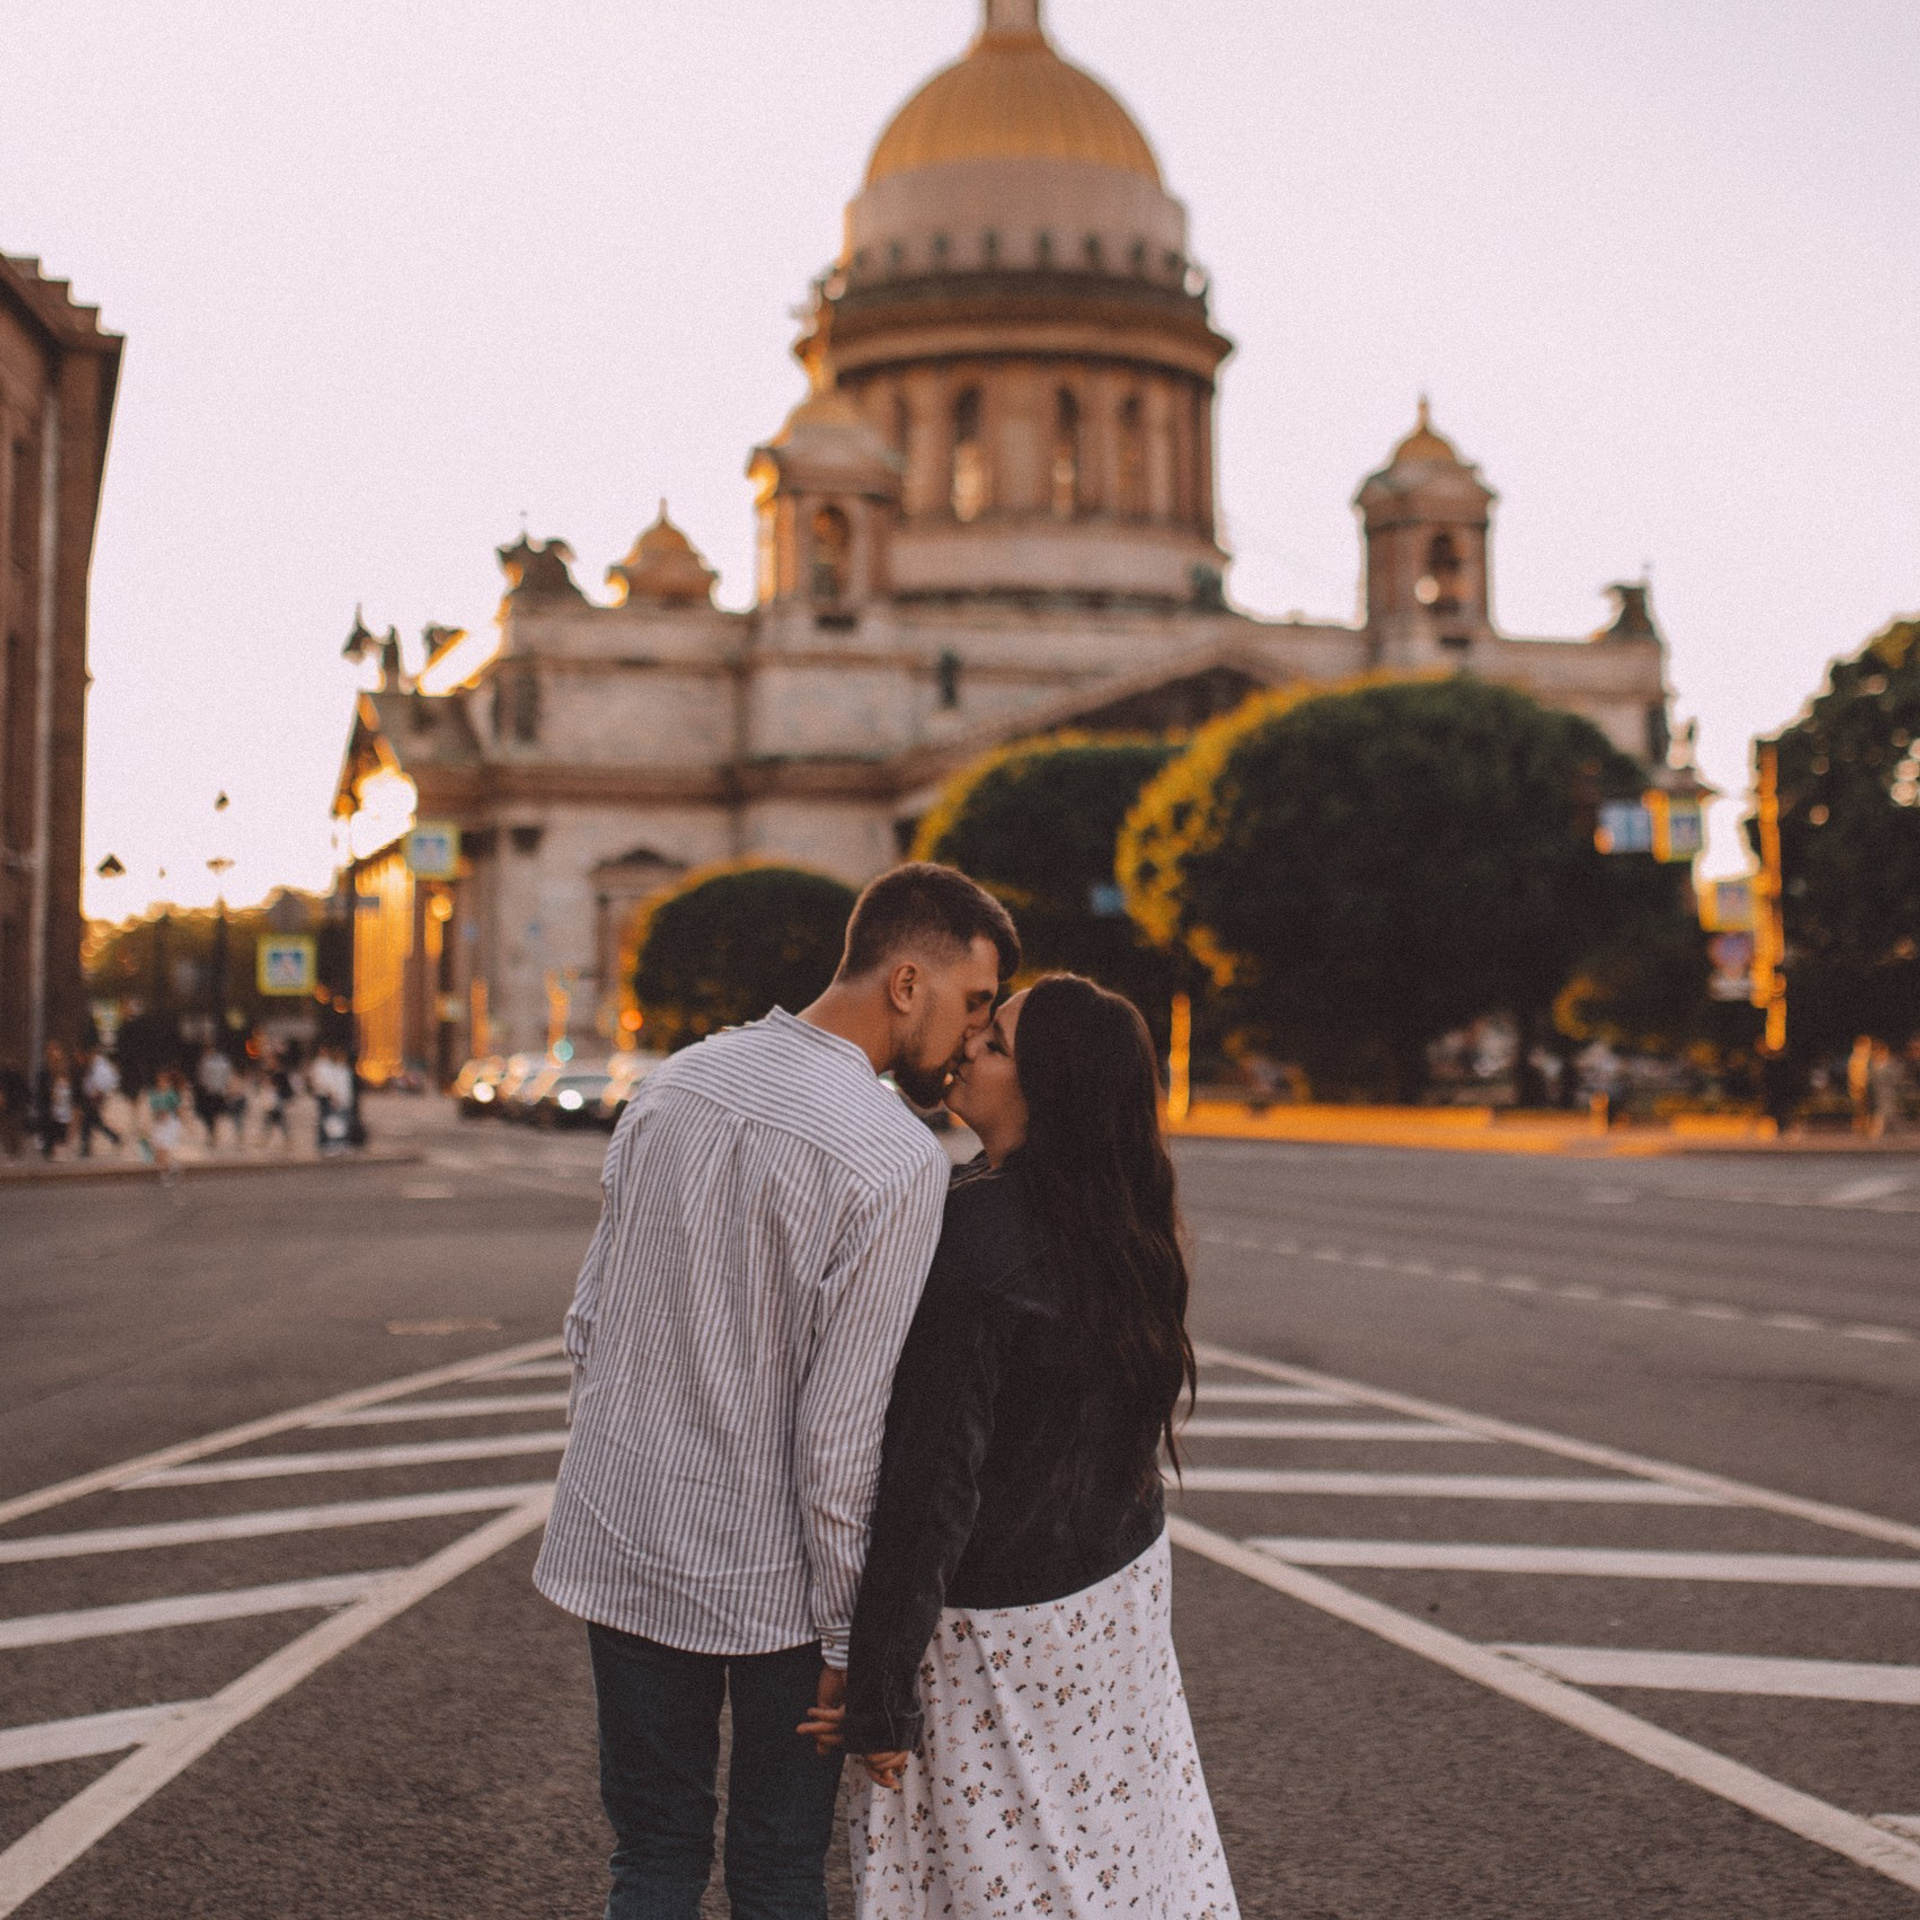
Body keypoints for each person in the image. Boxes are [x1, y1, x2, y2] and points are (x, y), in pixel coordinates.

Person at [533, 862, 1020, 1920]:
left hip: (622, 1539)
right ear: (906, 983)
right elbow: (840, 1432)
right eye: (974, 1001)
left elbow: (589, 1322)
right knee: (777, 1869)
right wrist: (851, 1640)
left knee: (650, 1857)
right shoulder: (894, 1159)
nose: (975, 1033)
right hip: (776, 1591)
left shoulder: (676, 1083)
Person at [803, 974, 1239, 1920]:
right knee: (1117, 1850)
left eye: (995, 1043)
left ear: (1049, 1090)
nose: (967, 1044)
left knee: (1000, 1868)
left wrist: (879, 1691)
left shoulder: (975, 1234)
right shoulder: (1125, 1223)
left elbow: (935, 1482)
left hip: (995, 1629)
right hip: (1114, 1597)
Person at [77, 1045, 124, 1157]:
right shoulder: (94, 1065)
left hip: (95, 1098)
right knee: (94, 1122)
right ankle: (115, 1138)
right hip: (91, 1098)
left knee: (87, 1122)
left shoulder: (101, 1066)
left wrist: (98, 1094)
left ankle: (86, 1148)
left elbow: (108, 1082)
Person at [34, 1041, 74, 1159]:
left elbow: (67, 1082)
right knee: (47, 1124)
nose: (55, 1056)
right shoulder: (43, 1070)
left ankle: (51, 1148)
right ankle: (47, 1149)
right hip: (47, 1102)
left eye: (57, 1053)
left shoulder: (62, 1068)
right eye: (52, 1053)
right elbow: (41, 1087)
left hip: (60, 1101)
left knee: (58, 1125)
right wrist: (49, 1092)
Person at [147, 1066, 185, 1182]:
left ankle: (165, 1174)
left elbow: (178, 1109)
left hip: (170, 1124)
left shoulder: (171, 1095)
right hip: (159, 1124)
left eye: (164, 1081)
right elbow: (154, 1109)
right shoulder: (154, 1094)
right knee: (157, 1151)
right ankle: (172, 1167)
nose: (162, 1083)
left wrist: (181, 1122)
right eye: (160, 1081)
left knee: (164, 1149)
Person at [194, 1042, 235, 1148]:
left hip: (210, 1092)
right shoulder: (224, 1060)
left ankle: (213, 1135)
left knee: (210, 1115)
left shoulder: (205, 1061)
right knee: (216, 1115)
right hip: (220, 1092)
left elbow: (202, 1078)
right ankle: (215, 1134)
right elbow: (228, 1076)